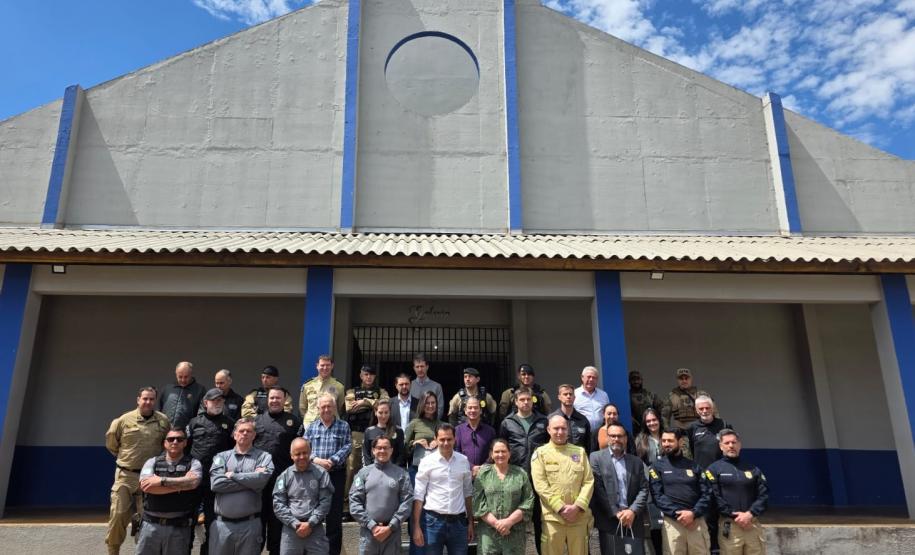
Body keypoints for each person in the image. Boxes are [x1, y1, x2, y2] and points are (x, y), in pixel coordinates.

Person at [105, 386, 170, 555]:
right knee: (118, 516)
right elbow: (112, 445)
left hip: (149, 477)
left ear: (155, 401)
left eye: (151, 399)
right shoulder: (122, 421)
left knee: (147, 520)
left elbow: (169, 445)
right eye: (145, 399)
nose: (148, 402)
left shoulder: (163, 421)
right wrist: (128, 460)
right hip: (126, 475)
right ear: (138, 399)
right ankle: (113, 551)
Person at [209, 417, 276, 555]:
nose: (245, 433)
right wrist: (251, 481)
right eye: (241, 431)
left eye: (249, 431)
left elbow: (262, 481)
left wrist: (233, 475)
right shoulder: (221, 457)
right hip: (222, 527)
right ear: (234, 434)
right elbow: (216, 484)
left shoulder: (264, 457)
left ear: (254, 435)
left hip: (250, 526)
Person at [530, 415, 594, 555]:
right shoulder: (540, 454)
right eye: (556, 428)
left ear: (568, 430)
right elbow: (540, 485)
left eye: (563, 428)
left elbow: (588, 481)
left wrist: (577, 507)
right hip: (552, 519)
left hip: (578, 518)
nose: (560, 432)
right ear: (548, 430)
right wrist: (561, 508)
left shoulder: (580, 452)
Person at [498, 387, 549, 554]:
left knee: (540, 522)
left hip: (539, 478)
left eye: (529, 399)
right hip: (516, 477)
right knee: (514, 521)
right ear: (516, 401)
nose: (526, 402)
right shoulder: (507, 422)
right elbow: (502, 449)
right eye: (522, 400)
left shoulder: (543, 421)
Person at [136, 427, 202, 555]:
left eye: (179, 439)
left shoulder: (194, 463)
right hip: (150, 526)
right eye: (171, 439)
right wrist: (181, 485)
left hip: (178, 528)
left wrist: (161, 481)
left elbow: (193, 483)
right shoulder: (152, 462)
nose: (175, 442)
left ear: (185, 443)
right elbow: (146, 486)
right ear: (165, 443)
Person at [301, 393, 352, 555]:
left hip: (336, 474)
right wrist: (317, 460)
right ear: (318, 408)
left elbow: (348, 446)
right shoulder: (312, 427)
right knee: (313, 513)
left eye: (329, 406)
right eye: (323, 406)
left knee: (334, 517)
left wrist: (332, 460)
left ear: (335, 407)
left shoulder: (343, 426)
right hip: (315, 475)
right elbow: (303, 449)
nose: (326, 409)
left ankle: (332, 552)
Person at [186, 388, 235, 555]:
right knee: (188, 520)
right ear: (205, 403)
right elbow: (185, 448)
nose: (217, 403)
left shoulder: (229, 423)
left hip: (216, 481)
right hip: (195, 480)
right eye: (214, 400)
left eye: (220, 401)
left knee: (212, 522)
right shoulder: (194, 423)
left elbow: (233, 451)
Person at [255, 387, 304, 555]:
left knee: (278, 524)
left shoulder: (294, 421)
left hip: (283, 482)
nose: (274, 401)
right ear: (267, 400)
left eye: (278, 398)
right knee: (258, 523)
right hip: (260, 482)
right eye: (272, 398)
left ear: (285, 400)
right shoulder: (256, 421)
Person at [412, 424, 474, 555]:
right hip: (433, 523)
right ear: (435, 439)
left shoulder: (463, 461)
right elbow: (418, 495)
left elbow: (468, 493)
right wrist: (416, 526)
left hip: (459, 523)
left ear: (455, 439)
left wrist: (470, 523)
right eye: (442, 439)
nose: (446, 443)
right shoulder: (427, 462)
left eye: (449, 439)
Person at [705, 429, 769, 555]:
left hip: (752, 525)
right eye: (727, 443)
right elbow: (713, 497)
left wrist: (750, 514)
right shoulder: (713, 469)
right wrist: (734, 515)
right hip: (729, 526)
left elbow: (764, 494)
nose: (731, 446)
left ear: (739, 445)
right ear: (721, 446)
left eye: (734, 442)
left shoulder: (753, 469)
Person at [589, 423, 649, 555]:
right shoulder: (596, 458)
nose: (616, 439)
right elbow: (598, 490)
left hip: (633, 520)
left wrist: (632, 511)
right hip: (609, 520)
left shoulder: (636, 461)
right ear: (607, 438)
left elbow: (644, 489)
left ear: (626, 438)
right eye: (613, 436)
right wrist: (616, 512)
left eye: (620, 436)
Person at [648, 429, 711, 555]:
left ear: (680, 442)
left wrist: (693, 513)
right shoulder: (657, 467)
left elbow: (707, 493)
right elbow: (657, 495)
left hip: (696, 522)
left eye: (670, 441)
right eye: (664, 441)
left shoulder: (695, 466)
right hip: (672, 524)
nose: (666, 444)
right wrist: (678, 515)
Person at [349, 436, 414, 555]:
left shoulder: (401, 474)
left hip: (392, 534)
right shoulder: (363, 473)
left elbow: (407, 502)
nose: (382, 451)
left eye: (386, 448)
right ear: (373, 450)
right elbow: (354, 502)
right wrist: (372, 526)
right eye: (379, 448)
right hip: (368, 533)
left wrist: (391, 526)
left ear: (391, 450)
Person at [472, 438, 534, 555]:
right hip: (489, 536)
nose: (500, 454)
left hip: (514, 534)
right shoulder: (483, 474)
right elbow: (478, 503)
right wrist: (497, 524)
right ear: (491, 454)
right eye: (496, 452)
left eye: (504, 451)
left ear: (509, 453)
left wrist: (509, 522)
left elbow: (528, 501)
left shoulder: (520, 474)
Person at [686, 396, 732, 555]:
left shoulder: (724, 425)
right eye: (701, 409)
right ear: (696, 410)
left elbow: (731, 449)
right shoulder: (692, 428)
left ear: (712, 408)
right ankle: (712, 549)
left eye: (707, 408)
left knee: (726, 516)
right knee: (708, 517)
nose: (704, 411)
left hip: (723, 479)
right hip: (704, 481)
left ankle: (727, 548)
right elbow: (691, 453)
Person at [272, 437, 334, 555]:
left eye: (305, 453)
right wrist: (295, 524)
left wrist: (310, 523)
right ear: (291, 456)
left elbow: (325, 502)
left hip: (315, 529)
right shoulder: (284, 476)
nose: (301, 457)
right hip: (290, 530)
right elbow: (278, 504)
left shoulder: (321, 474)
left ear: (310, 453)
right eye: (297, 454)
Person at [344, 364, 390, 510]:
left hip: (376, 433)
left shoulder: (381, 391)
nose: (368, 377)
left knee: (376, 467)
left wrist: (365, 402)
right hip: (357, 433)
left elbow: (385, 405)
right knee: (352, 468)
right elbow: (349, 407)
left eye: (371, 374)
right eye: (365, 374)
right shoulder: (352, 392)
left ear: (374, 376)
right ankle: (347, 506)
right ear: (361, 375)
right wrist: (372, 404)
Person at [403, 391, 442, 555]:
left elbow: (450, 446)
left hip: (437, 473)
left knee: (432, 511)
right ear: (422, 405)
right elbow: (402, 448)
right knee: (417, 512)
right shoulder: (415, 423)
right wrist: (415, 442)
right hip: (417, 471)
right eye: (427, 403)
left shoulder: (441, 424)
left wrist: (438, 442)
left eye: (433, 403)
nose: (430, 406)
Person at [634, 407, 665, 555]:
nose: (652, 423)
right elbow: (639, 463)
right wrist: (651, 475)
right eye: (648, 421)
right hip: (651, 486)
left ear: (659, 420)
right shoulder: (641, 439)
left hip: (670, 485)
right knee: (655, 524)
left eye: (654, 420)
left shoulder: (667, 435)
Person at [454, 396, 497, 476]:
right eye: (470, 408)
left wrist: (482, 468)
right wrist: (472, 467)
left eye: (476, 408)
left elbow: (493, 452)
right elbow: (456, 452)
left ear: (480, 411)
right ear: (465, 411)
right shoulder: (458, 430)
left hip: (486, 473)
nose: (473, 410)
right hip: (464, 473)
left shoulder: (490, 431)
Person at [300, 355, 346, 426]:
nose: (325, 368)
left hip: (332, 426)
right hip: (310, 425)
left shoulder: (339, 386)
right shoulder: (307, 385)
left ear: (332, 366)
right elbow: (302, 407)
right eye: (322, 365)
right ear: (317, 366)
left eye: (328, 365)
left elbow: (340, 409)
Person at [159, 361, 207, 429]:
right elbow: (160, 410)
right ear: (176, 374)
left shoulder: (200, 390)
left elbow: (202, 414)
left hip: (187, 433)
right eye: (180, 377)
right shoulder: (167, 389)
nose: (183, 380)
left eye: (186, 377)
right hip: (167, 432)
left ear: (191, 374)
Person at [548, 384, 592, 454]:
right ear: (559, 397)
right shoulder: (551, 419)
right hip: (557, 459)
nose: (568, 396)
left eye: (570, 394)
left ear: (574, 397)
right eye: (565, 394)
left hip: (578, 460)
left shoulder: (583, 420)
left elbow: (588, 445)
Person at [363, 400, 406, 468]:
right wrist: (370, 469)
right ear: (375, 413)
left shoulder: (398, 431)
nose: (383, 416)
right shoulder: (369, 431)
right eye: (380, 413)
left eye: (386, 412)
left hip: (393, 471)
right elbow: (366, 454)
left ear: (390, 413)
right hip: (374, 470)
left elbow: (401, 454)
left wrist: (395, 469)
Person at [573, 366, 610, 431]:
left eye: (594, 378)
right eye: (589, 377)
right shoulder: (574, 394)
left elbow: (608, 413)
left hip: (600, 432)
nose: (591, 380)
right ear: (582, 377)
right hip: (581, 433)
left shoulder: (603, 395)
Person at [410, 353, 444, 420]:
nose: (420, 369)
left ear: (427, 367)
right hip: (413, 426)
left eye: (422, 366)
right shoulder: (409, 386)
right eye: (417, 367)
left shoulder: (437, 387)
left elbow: (440, 408)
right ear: (414, 368)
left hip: (431, 426)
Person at [629, 371, 663, 436]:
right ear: (629, 381)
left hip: (652, 428)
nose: (636, 381)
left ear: (642, 380)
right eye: (633, 379)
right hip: (635, 431)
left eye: (638, 379)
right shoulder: (626, 396)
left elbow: (662, 409)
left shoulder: (650, 395)